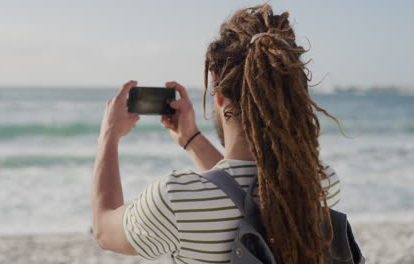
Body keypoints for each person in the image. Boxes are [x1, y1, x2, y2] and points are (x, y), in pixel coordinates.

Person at [91, 4, 342, 264]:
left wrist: (109, 134)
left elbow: (103, 228)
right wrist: (191, 140)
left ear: (219, 94)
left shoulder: (178, 200)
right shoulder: (321, 185)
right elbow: (247, 191)